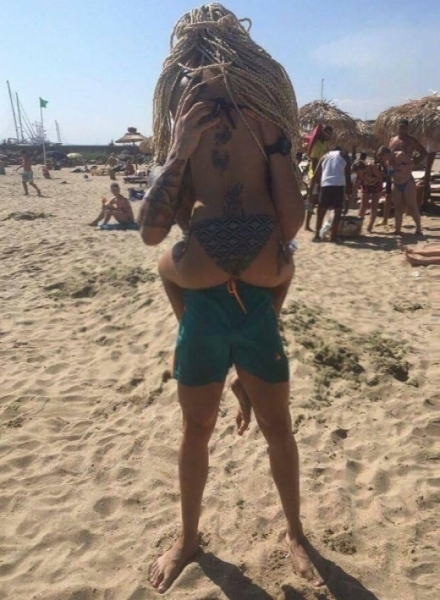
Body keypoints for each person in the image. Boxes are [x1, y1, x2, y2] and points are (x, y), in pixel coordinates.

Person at [138, 4, 323, 593]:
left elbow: (290, 227)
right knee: (196, 429)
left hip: (257, 311)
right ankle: (188, 539)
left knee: (278, 428)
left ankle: (295, 533)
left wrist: (277, 147)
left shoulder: (264, 129)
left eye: (218, 72)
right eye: (195, 76)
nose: (207, 85)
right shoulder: (183, 134)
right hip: (205, 315)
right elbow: (151, 234)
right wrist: (179, 150)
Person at [387, 119, 427, 235]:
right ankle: (397, 229)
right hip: (396, 179)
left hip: (407, 179)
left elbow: (423, 152)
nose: (402, 129)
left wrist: (415, 162)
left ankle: (418, 228)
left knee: (412, 205)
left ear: (407, 128)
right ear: (397, 127)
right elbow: (388, 156)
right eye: (400, 127)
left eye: (404, 127)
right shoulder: (392, 140)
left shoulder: (411, 140)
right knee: (397, 207)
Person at [308, 147, 352, 242]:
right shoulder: (344, 156)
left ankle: (317, 235)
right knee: (337, 211)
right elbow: (348, 176)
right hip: (338, 185)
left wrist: (310, 193)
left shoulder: (324, 156)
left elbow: (315, 176)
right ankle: (333, 237)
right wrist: (349, 194)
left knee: (321, 211)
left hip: (325, 185)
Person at [305, 125, 333, 231]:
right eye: (328, 133)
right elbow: (314, 162)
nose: (329, 136)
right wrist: (316, 178)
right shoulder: (317, 144)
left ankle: (315, 224)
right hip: (315, 176)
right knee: (312, 199)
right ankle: (307, 224)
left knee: (320, 200)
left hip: (322, 175)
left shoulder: (324, 144)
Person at [351, 159, 384, 232]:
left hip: (376, 184)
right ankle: (358, 224)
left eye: (359, 172)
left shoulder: (371, 167)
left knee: (374, 206)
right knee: (363, 205)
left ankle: (370, 225)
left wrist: (371, 179)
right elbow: (355, 187)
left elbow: (380, 178)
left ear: (362, 168)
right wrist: (351, 199)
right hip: (366, 184)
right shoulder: (358, 175)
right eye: (357, 173)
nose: (358, 174)